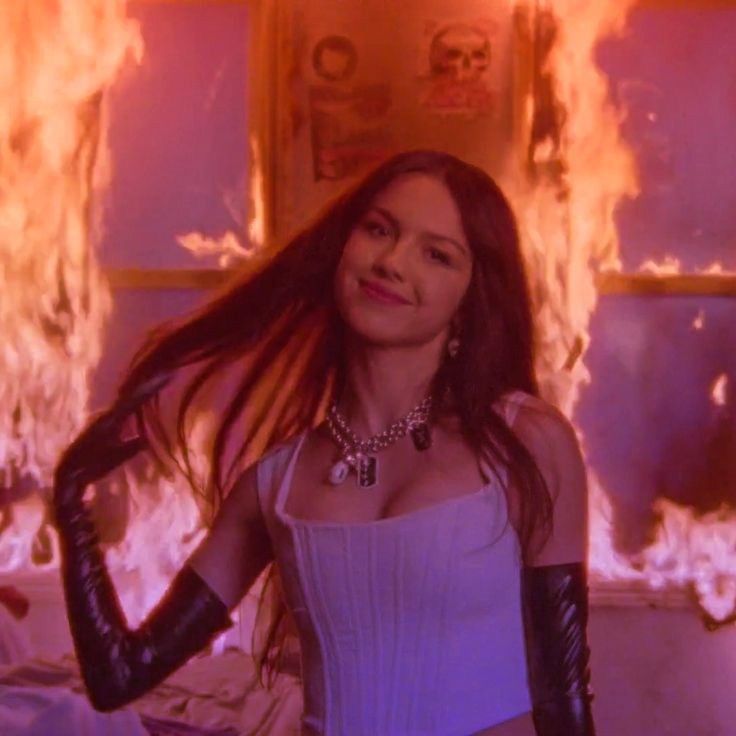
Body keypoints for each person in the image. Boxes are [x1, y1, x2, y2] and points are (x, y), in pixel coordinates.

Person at [53, 149, 595, 736]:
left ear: (470, 301)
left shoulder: (525, 445)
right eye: (379, 229)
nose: (391, 262)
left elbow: (563, 704)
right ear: (343, 246)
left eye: (436, 255)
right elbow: (120, 675)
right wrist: (72, 511)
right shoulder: (274, 485)